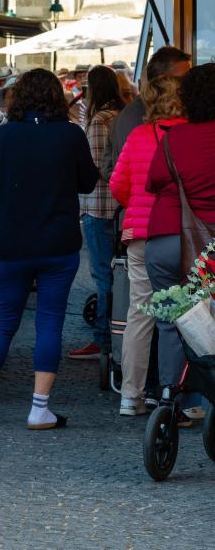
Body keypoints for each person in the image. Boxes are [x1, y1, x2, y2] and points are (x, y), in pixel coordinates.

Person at [0, 69, 98, 430]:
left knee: (4, 320)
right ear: (57, 98)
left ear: (18, 98)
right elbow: (88, 182)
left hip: (12, 243)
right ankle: (39, 408)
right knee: (50, 322)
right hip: (59, 243)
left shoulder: (4, 135)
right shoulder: (71, 135)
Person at [109, 72, 187, 415]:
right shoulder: (191, 136)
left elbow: (118, 186)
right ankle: (183, 396)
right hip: (182, 235)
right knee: (186, 314)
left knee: (139, 314)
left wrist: (137, 207)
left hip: (141, 236)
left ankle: (131, 395)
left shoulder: (140, 136)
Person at [143, 63, 215, 422]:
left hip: (165, 237)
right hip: (208, 249)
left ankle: (170, 397)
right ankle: (205, 397)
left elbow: (152, 182)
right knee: (211, 321)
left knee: (171, 320)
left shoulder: (173, 137)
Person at [69, 65, 125, 361]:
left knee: (103, 275)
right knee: (118, 274)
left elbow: (94, 167)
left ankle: (103, 339)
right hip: (118, 206)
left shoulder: (99, 120)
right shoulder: (121, 115)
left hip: (98, 205)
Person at [101, 46, 191, 181]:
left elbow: (109, 170)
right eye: (182, 79)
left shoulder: (128, 115)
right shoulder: (143, 119)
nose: (188, 84)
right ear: (163, 81)